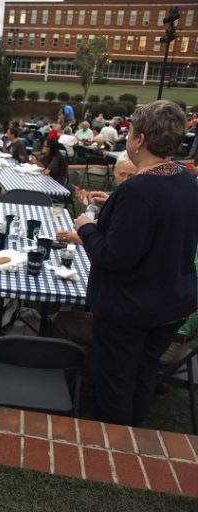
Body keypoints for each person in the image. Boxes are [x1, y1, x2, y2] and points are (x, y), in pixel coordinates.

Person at [71, 100, 198, 427]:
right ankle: (133, 439)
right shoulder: (185, 180)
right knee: (143, 375)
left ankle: (112, 449)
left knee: (116, 381)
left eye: (130, 133)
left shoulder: (138, 190)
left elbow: (114, 256)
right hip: (170, 304)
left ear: (139, 140)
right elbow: (159, 224)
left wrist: (86, 226)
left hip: (130, 308)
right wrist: (114, 203)